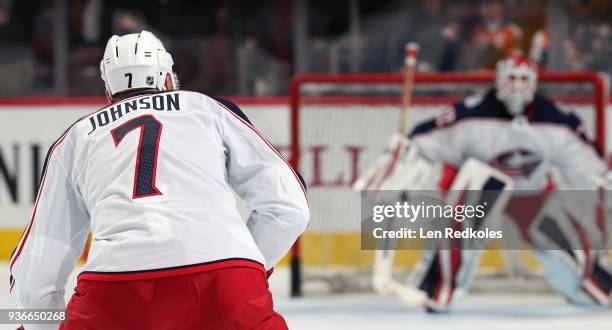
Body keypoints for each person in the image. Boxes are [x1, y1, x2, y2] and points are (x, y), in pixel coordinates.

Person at [9, 31, 309, 329]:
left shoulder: (77, 137)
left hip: (116, 288)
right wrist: (248, 265)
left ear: (108, 94)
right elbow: (289, 208)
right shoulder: (209, 109)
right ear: (167, 80)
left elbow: (38, 268)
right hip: (225, 280)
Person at [359, 55, 612, 312]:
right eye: (511, 78)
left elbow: (593, 170)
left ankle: (591, 286)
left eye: (523, 79)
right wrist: (398, 164)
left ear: (534, 82)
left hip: (531, 197)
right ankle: (439, 286)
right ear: (499, 81)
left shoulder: (557, 119)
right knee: (479, 188)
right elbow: (422, 144)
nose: (516, 86)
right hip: (479, 196)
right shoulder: (470, 113)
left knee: (572, 246)